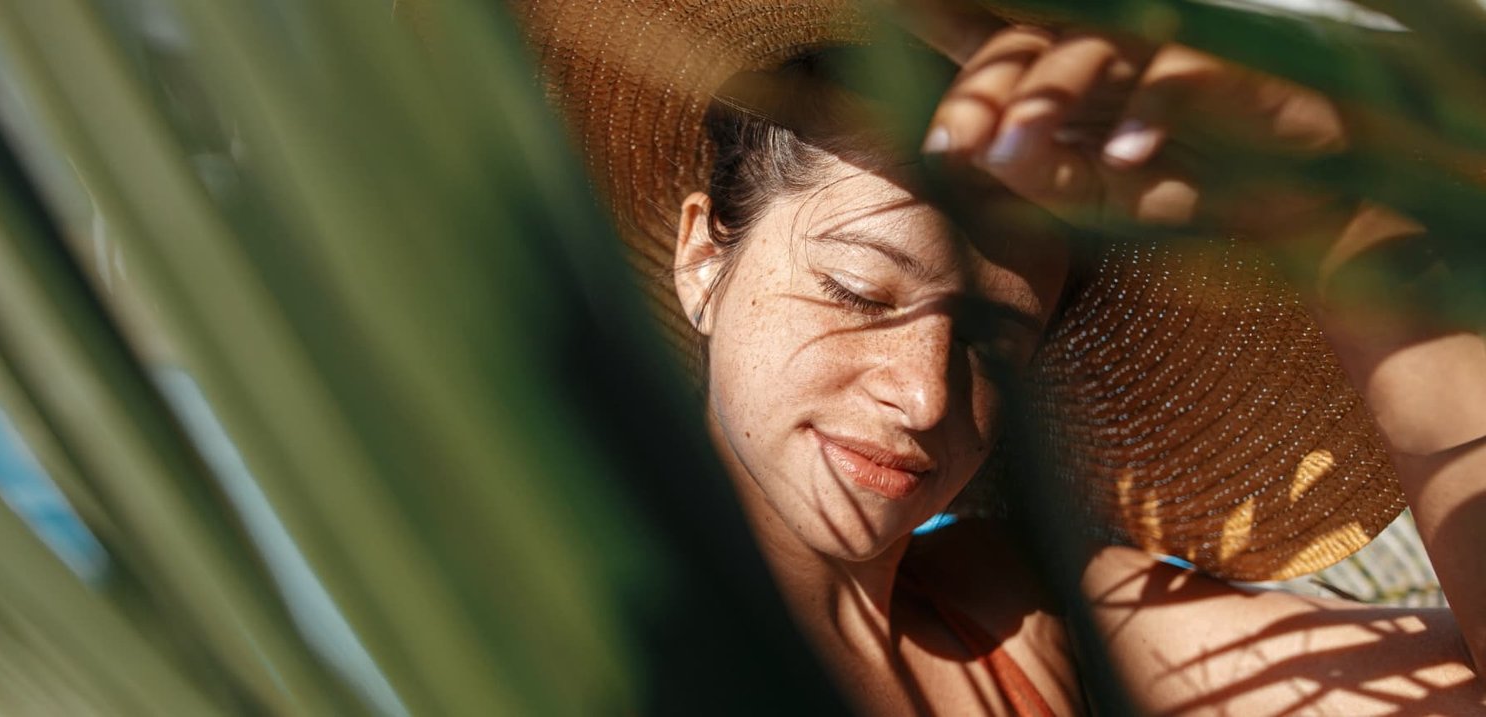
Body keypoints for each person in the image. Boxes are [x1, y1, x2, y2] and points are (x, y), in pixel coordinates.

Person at [517, 0, 1486, 713]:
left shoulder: (1040, 625)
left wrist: (1331, 225)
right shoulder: (529, 610)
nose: (920, 394)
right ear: (701, 256)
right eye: (858, 291)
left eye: (993, 345)